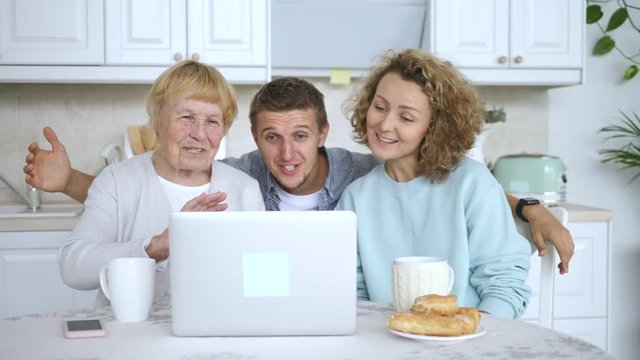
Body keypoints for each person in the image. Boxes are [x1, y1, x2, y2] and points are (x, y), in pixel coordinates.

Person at [23, 78, 574, 273]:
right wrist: (71, 178)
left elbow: (451, 178)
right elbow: (164, 177)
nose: (287, 154)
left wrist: (529, 207)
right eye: (271, 137)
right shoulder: (239, 177)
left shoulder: (364, 174)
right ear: (254, 140)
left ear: (324, 132)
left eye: (301, 136)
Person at [336, 49, 531, 319]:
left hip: (469, 341)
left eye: (406, 117)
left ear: (434, 128)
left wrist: (475, 338)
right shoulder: (356, 197)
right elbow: (352, 295)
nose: (384, 124)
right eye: (380, 107)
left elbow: (504, 286)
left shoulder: (472, 183)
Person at [57, 60, 265, 306]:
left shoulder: (245, 189)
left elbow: (261, 284)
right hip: (128, 338)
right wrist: (157, 246)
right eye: (186, 117)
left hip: (216, 334)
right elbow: (73, 267)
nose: (199, 133)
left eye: (212, 121)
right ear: (157, 122)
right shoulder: (117, 180)